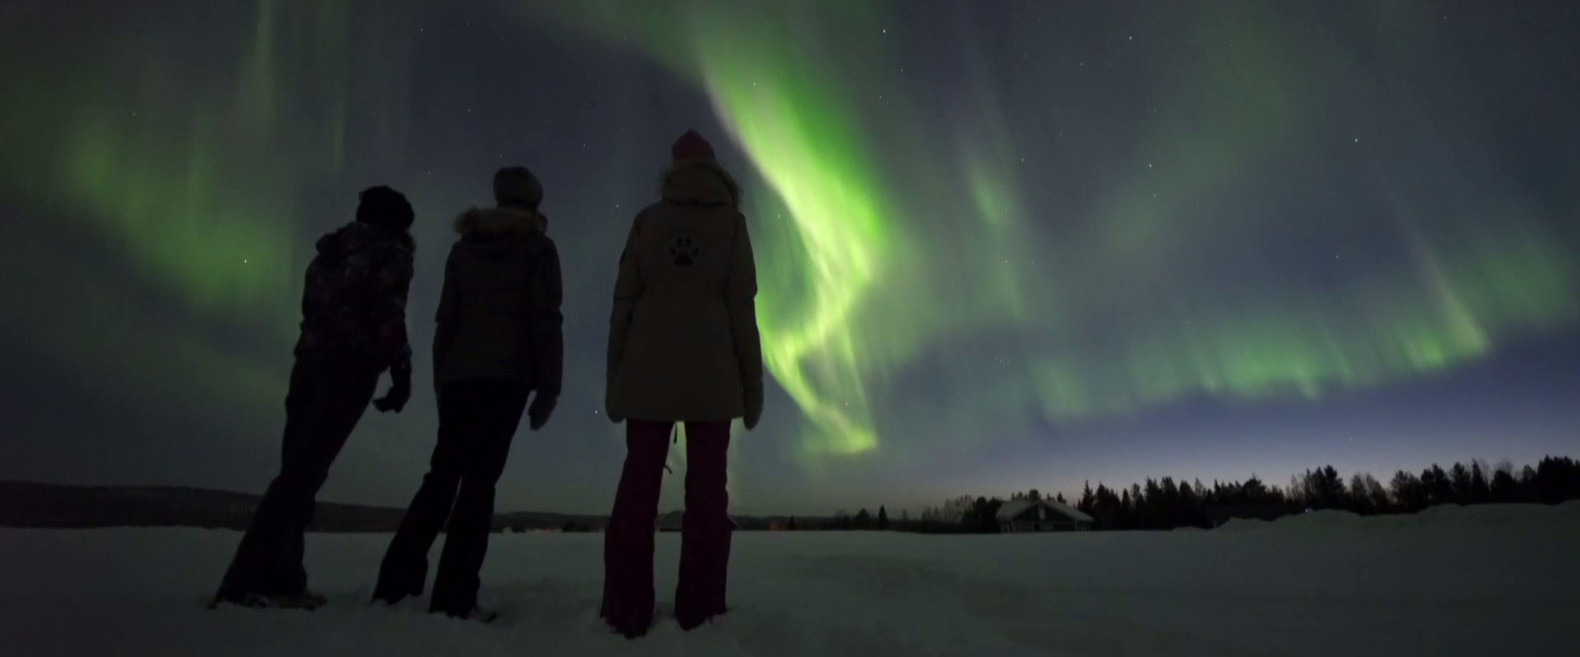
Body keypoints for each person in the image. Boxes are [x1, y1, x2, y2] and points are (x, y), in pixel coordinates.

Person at [372, 167, 563, 622]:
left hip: (460, 378)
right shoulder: (538, 249)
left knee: (441, 475)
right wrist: (548, 389)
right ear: (533, 203)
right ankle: (455, 597)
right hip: (507, 380)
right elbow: (546, 321)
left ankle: (396, 584)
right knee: (479, 484)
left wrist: (442, 380)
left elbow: (446, 320)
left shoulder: (465, 248)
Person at [212, 186, 416, 609]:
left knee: (297, 469)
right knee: (301, 476)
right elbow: (389, 315)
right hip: (348, 369)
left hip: (307, 364)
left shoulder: (330, 253)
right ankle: (244, 581)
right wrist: (400, 373)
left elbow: (313, 308)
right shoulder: (390, 254)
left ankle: (285, 578)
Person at [601, 130, 764, 637]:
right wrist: (752, 386)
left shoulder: (648, 221)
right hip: (714, 378)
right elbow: (742, 311)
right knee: (708, 494)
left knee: (637, 488)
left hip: (646, 374)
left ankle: (626, 609)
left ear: (673, 169)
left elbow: (624, 304)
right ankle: (702, 609)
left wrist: (615, 378)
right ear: (714, 169)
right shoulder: (731, 225)